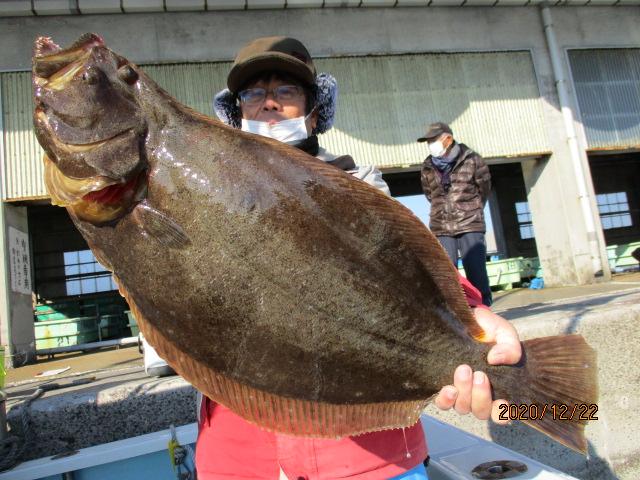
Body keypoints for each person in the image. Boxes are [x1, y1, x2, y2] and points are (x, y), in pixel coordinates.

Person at [200, 36, 521, 480]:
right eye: (253, 94)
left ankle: (572, 408)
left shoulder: (359, 183)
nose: (269, 103)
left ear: (314, 111)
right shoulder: (205, 191)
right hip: (238, 456)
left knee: (551, 403)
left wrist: (471, 313)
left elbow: (407, 265)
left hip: (367, 458)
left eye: (286, 92)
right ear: (236, 113)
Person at [419, 123, 494, 306]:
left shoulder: (473, 159)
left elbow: (484, 188)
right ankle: (459, 313)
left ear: (448, 139)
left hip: (470, 223)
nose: (430, 144)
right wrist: (443, 210)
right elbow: (430, 194)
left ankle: (484, 308)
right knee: (447, 273)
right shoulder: (427, 166)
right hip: (441, 226)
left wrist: (471, 209)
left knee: (476, 270)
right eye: (428, 141)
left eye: (433, 140)